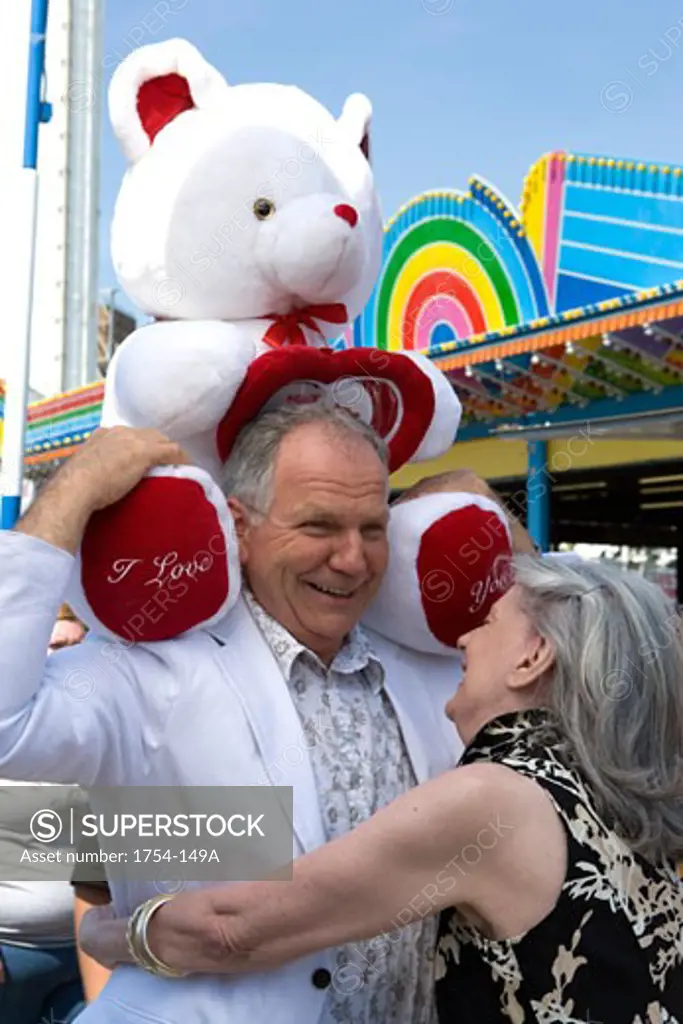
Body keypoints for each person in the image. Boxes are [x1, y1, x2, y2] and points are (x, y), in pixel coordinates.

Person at [0, 403, 507, 1024]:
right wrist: (72, 492)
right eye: (319, 526)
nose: (352, 559)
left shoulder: (427, 663)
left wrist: (490, 512)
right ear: (238, 526)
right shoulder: (151, 668)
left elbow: (577, 652)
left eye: (372, 528)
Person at [80, 555, 683, 1022]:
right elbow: (43, 831)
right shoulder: (616, 790)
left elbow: (233, 927)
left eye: (490, 621)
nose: (463, 638)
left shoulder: (493, 796)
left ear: (534, 658)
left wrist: (107, 932)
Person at [0, 611, 88, 1024]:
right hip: (10, 958)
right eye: (53, 646)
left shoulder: (107, 733)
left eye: (75, 646)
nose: (62, 659)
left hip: (91, 955)